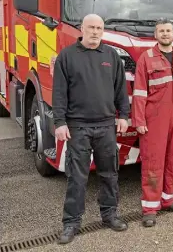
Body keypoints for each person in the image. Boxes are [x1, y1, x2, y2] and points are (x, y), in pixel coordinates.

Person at [52, 14, 130, 244]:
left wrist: (123, 115)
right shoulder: (67, 56)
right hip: (78, 127)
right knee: (77, 177)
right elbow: (59, 93)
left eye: (99, 28)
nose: (95, 32)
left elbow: (120, 90)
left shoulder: (111, 55)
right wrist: (59, 122)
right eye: (91, 27)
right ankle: (71, 223)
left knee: (109, 174)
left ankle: (109, 215)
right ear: (82, 29)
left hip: (106, 125)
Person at [131, 18, 173, 227]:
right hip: (154, 118)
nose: (165, 34)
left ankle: (168, 198)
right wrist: (138, 120)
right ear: (155, 35)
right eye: (161, 31)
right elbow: (139, 92)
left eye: (168, 30)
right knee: (153, 162)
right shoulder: (146, 58)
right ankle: (150, 207)